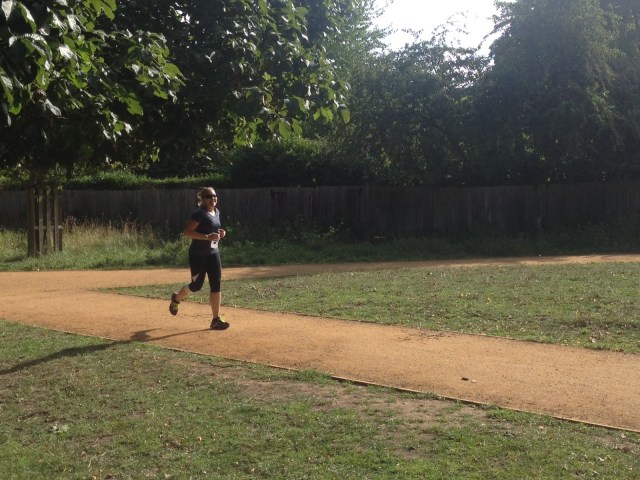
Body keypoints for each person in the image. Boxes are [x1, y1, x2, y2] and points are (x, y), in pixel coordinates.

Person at [169, 187, 229, 330]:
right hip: (198, 255)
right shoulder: (199, 214)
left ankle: (216, 319)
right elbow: (187, 232)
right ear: (202, 199)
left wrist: (222, 233)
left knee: (216, 284)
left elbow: (213, 229)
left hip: (213, 253)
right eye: (208, 196)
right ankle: (176, 298)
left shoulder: (217, 212)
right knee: (196, 285)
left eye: (214, 195)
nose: (212, 198)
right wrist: (207, 237)